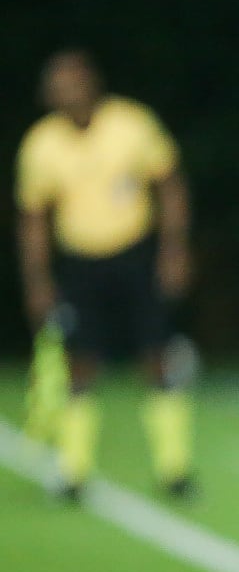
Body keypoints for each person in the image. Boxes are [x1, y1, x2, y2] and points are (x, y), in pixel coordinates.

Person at [14, 50, 194, 499]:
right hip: (79, 263)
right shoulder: (42, 143)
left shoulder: (131, 123)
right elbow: (33, 217)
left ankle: (175, 469)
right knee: (79, 363)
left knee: (156, 355)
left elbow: (169, 183)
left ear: (92, 82)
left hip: (134, 254)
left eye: (73, 82)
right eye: (57, 86)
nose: (66, 92)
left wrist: (174, 249)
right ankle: (74, 472)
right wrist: (37, 279)